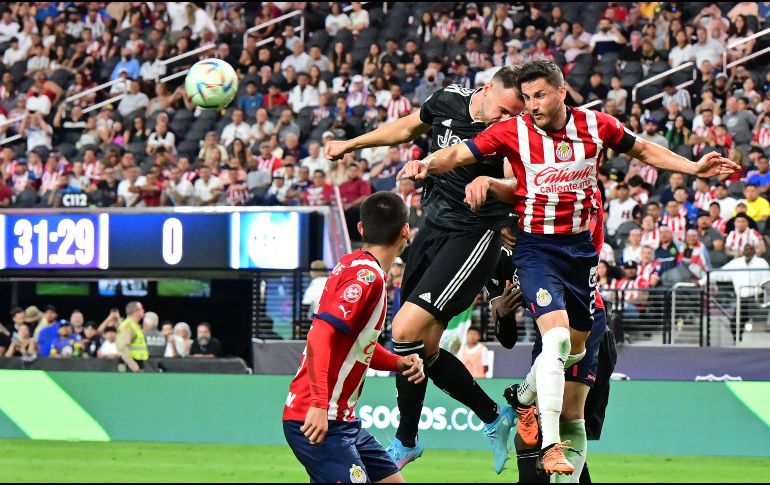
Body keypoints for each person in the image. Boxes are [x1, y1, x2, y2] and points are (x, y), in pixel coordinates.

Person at [398, 58, 739, 475]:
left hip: (580, 258)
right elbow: (459, 152)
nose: (532, 105)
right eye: (526, 98)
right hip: (537, 250)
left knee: (572, 352)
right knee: (558, 345)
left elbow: (645, 149)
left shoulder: (597, 127)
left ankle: (525, 397)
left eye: (539, 95)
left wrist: (692, 167)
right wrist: (426, 164)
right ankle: (549, 444)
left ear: (562, 91)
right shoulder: (513, 131)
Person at [325, 66, 525, 473]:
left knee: (402, 330)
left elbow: (515, 179)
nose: (507, 120)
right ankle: (493, 416)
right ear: (486, 90)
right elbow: (407, 127)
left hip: (474, 235)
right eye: (504, 110)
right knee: (423, 350)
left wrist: (498, 194)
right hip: (432, 230)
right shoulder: (449, 100)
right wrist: (353, 143)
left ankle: (406, 440)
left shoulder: (511, 132)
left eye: (514, 115)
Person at [283, 192, 425, 484]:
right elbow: (319, 335)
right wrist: (320, 404)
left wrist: (399, 363)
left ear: (361, 229)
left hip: (343, 421)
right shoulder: (368, 278)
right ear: (405, 231)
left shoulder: (350, 265)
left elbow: (357, 347)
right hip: (317, 416)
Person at [116, 301, 148, 372]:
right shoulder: (128, 326)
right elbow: (122, 346)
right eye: (141, 309)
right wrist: (131, 363)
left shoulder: (134, 325)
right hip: (129, 365)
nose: (143, 311)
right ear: (135, 312)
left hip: (137, 362)